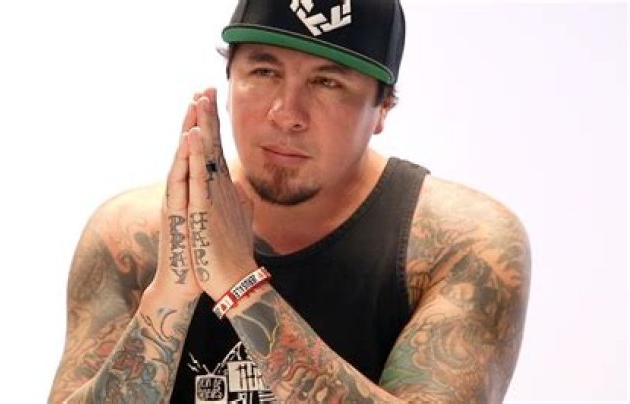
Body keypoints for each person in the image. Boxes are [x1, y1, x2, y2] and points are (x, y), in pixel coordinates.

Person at [49, 0, 531, 402]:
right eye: (264, 71)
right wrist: (170, 293)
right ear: (228, 80)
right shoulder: (130, 236)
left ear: (383, 107)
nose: (286, 113)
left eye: (327, 82)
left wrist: (239, 283)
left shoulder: (460, 243)